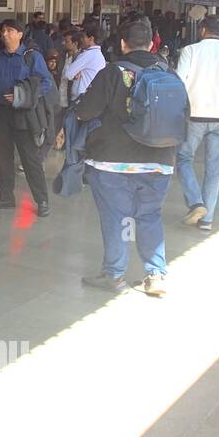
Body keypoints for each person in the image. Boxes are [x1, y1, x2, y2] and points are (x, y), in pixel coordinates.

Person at [75, 20, 176, 296]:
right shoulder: (168, 71)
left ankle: (114, 274)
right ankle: (155, 275)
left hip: (112, 160)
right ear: (152, 44)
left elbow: (85, 111)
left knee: (115, 217)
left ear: (122, 44)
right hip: (159, 159)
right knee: (150, 215)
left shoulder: (111, 72)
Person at [175, 14, 219, 234]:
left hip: (194, 116)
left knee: (184, 158)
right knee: (214, 169)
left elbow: (179, 82)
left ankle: (196, 203)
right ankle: (207, 220)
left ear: (203, 29)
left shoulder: (190, 51)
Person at [0, 19, 55, 215]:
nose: (5, 34)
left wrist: (22, 96)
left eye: (10, 30)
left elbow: (46, 83)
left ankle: (42, 201)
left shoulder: (31, 57)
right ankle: (6, 197)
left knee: (30, 158)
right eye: (3, 30)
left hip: (23, 114)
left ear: (20, 34)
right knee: (2, 157)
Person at [62, 24, 106, 103]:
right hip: (92, 97)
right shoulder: (99, 55)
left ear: (91, 39)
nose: (81, 40)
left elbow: (68, 74)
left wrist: (76, 72)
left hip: (80, 99)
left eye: (84, 37)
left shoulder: (87, 55)